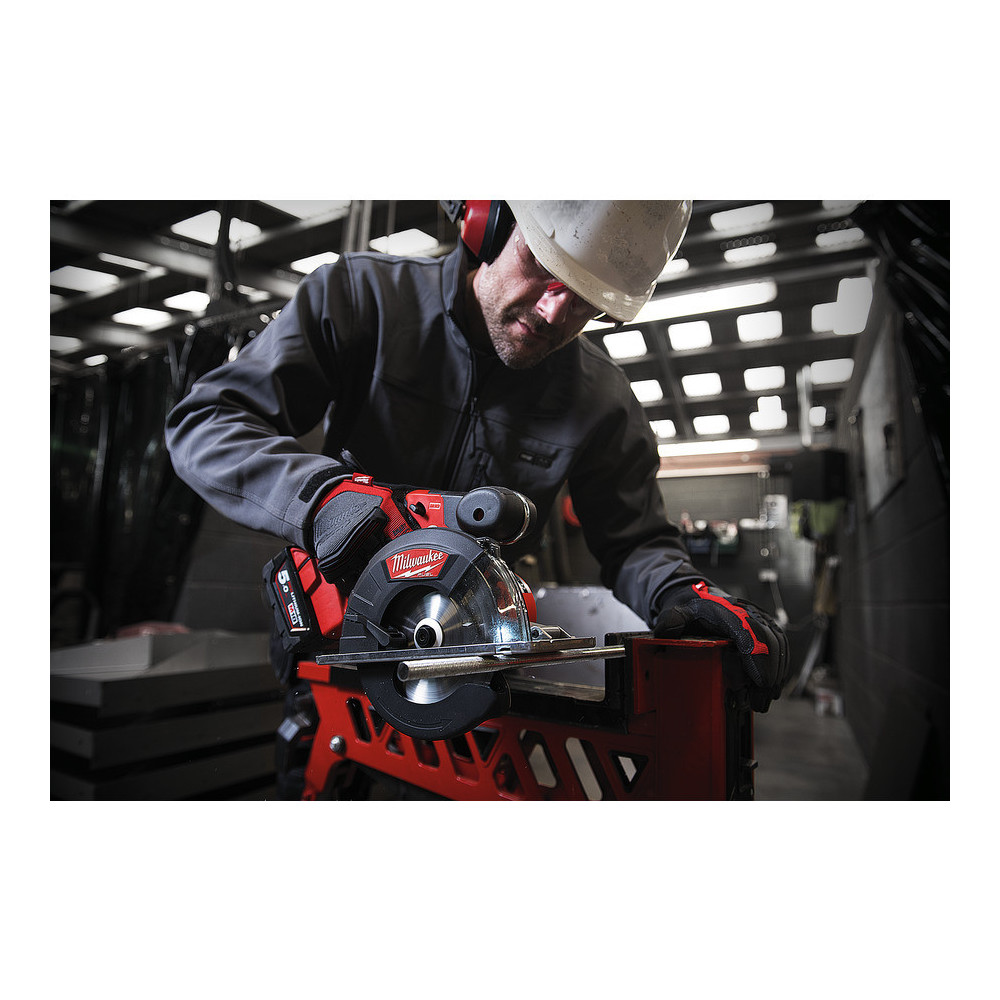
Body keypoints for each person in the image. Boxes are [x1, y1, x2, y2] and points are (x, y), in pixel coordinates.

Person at [165, 200, 788, 722]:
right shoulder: (361, 297)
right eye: (542, 266)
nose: (553, 313)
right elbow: (207, 422)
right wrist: (324, 499)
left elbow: (636, 541)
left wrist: (684, 592)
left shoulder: (602, 401)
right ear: (488, 223)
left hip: (478, 678)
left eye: (586, 303)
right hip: (339, 652)